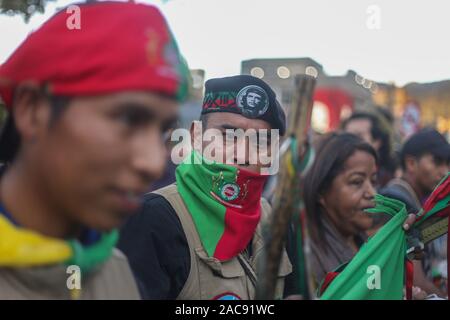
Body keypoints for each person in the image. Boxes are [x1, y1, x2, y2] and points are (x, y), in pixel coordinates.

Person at [0, 1, 189, 299]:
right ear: (32, 109)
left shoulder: (116, 270)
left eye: (163, 130)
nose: (153, 163)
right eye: (129, 119)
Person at [118, 75, 294, 300]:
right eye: (228, 136)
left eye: (260, 141)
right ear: (196, 135)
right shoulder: (153, 218)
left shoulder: (275, 219)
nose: (243, 154)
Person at [303, 132, 418, 290]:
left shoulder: (366, 242)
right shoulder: (305, 255)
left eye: (373, 181)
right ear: (321, 191)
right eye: (357, 182)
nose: (372, 193)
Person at [380, 128, 450, 297]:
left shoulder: (414, 200)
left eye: (447, 164)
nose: (444, 171)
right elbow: (415, 282)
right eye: (437, 162)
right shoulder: (397, 202)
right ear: (411, 163)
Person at [342, 109, 396, 188]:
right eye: (346, 136)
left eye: (358, 136)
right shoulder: (334, 172)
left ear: (377, 142)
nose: (349, 141)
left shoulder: (389, 181)